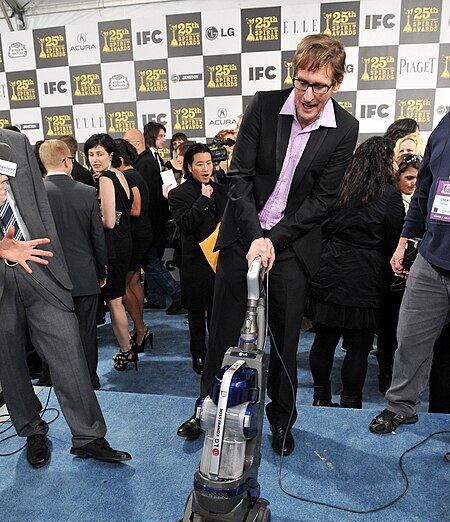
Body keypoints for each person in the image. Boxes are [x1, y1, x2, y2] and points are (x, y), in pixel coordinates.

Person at [177, 33, 359, 454]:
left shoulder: (345, 129)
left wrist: (273, 240)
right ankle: (206, 406)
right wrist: (255, 237)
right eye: (301, 82)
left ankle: (281, 420)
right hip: (242, 235)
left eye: (319, 86)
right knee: (221, 330)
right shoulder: (263, 105)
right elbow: (238, 178)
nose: (308, 95)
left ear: (337, 84)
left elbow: (322, 201)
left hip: (292, 247)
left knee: (283, 339)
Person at [0, 127, 131, 466]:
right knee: (9, 361)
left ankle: (88, 436)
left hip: (40, 263)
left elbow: (38, 203)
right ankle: (32, 430)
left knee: (70, 350)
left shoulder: (15, 143)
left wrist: (55, 258)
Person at [308, 137, 405, 408]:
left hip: (329, 272)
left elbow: (320, 226)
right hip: (366, 278)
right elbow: (394, 239)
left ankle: (320, 396)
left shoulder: (339, 187)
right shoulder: (390, 195)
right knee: (358, 347)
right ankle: (350, 402)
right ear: (385, 162)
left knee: (324, 340)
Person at [369, 112, 450, 434]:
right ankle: (401, 407)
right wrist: (405, 240)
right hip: (431, 258)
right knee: (410, 339)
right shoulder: (445, 125)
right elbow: (423, 190)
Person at [39, 139, 107, 390]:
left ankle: (51, 379)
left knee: (48, 333)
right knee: (86, 332)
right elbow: (97, 238)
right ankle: (89, 380)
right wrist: (101, 271)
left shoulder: (36, 195)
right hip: (84, 276)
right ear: (68, 161)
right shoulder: (87, 192)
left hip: (47, 278)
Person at [168, 144, 227, 374]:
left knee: (218, 313)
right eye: (200, 164)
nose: (206, 168)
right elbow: (187, 224)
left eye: (209, 163)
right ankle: (198, 354)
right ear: (189, 166)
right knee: (195, 313)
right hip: (194, 261)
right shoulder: (178, 194)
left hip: (219, 260)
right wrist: (202, 201)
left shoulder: (222, 189)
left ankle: (217, 354)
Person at [84, 133, 134, 372]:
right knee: (118, 299)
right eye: (91, 154)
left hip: (113, 245)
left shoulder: (105, 178)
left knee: (114, 302)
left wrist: (90, 216)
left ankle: (126, 351)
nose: (94, 159)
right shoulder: (119, 175)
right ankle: (128, 347)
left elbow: (109, 221)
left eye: (100, 154)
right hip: (124, 242)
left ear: (111, 155)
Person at [376, 152, 422, 395]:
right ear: (397, 178)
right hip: (391, 276)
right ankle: (385, 372)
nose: (414, 182)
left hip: (420, 276)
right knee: (389, 328)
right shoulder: (390, 200)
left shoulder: (425, 203)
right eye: (409, 177)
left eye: (417, 178)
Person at [123, 128, 182, 314]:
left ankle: (177, 293)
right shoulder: (147, 160)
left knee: (150, 262)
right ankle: (156, 298)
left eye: (126, 143)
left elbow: (148, 200)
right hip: (150, 224)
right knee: (150, 262)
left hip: (148, 224)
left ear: (136, 144)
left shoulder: (145, 162)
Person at [115, 137, 153, 353]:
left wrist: (113, 211)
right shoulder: (133, 173)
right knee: (135, 282)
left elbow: (136, 208)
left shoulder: (128, 176)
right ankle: (141, 327)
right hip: (141, 234)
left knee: (125, 285)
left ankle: (140, 328)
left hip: (136, 235)